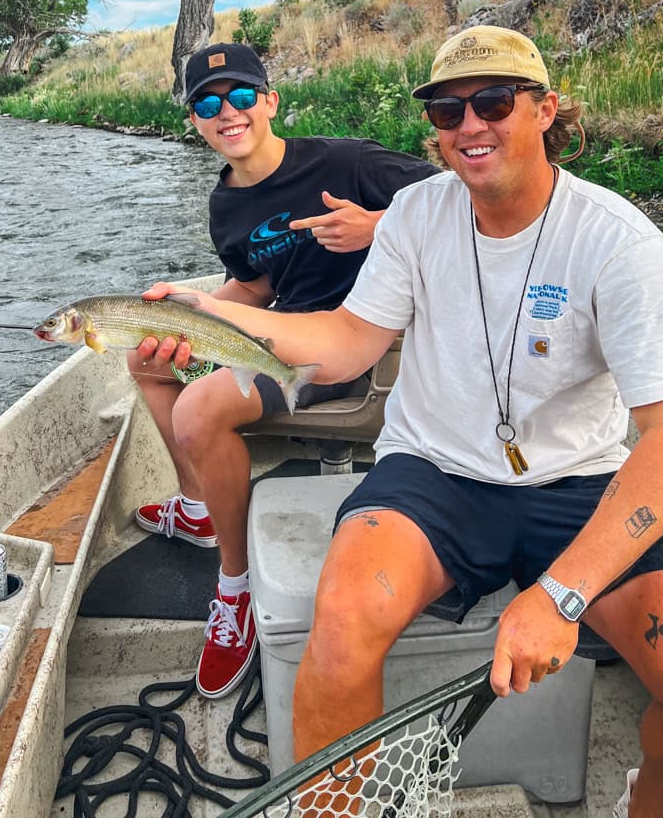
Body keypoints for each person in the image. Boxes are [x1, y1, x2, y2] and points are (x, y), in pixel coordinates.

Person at [143, 26, 663, 817]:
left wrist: (562, 597)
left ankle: (643, 804)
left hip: (582, 482)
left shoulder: (617, 241)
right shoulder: (414, 214)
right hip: (432, 473)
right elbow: (342, 342)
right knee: (338, 635)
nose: (469, 125)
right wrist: (210, 319)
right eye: (446, 109)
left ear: (544, 110)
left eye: (494, 101)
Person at [129, 42, 439, 701]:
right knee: (147, 361)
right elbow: (254, 287)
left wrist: (376, 226)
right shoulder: (226, 205)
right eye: (208, 103)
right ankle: (196, 509)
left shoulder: (347, 161)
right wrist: (193, 313)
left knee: (199, 408)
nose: (227, 112)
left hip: (364, 352)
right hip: (285, 332)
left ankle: (234, 590)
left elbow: (462, 199)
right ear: (195, 121)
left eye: (242, 95)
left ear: (269, 101)